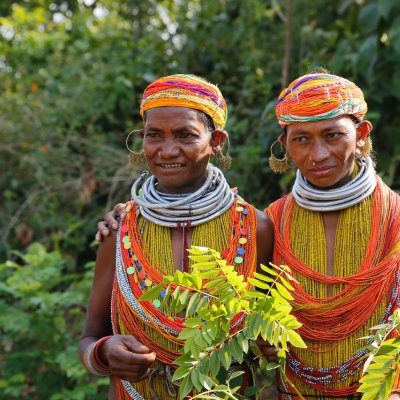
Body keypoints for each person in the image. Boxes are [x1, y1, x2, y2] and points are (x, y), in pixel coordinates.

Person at [80, 74, 273, 399]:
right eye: (155, 135)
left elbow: (266, 334)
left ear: (217, 141)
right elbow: (89, 337)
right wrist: (105, 352)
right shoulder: (120, 232)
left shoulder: (255, 229)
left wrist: (268, 343)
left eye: (185, 135)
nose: (167, 150)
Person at [258, 72, 400, 399]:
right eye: (301, 139)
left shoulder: (395, 219)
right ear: (284, 145)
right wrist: (261, 336)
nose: (318, 155)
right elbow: (247, 318)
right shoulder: (270, 224)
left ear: (361, 134)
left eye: (333, 135)